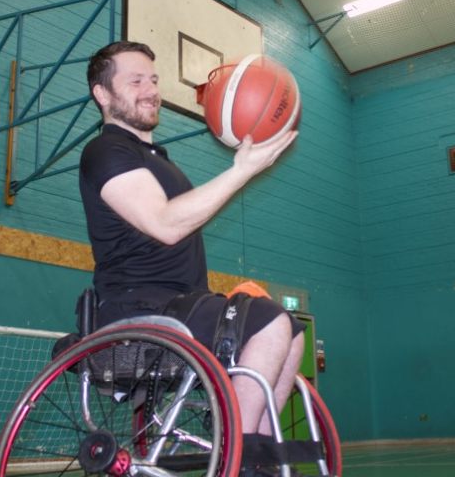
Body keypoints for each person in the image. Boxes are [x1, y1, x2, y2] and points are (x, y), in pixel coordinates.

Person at [78, 40, 304, 439]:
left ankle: (261, 450)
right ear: (103, 94)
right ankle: (240, 448)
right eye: (135, 81)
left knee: (292, 330)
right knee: (268, 321)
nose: (151, 90)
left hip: (181, 305)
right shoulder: (104, 150)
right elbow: (165, 224)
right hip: (138, 307)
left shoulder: (159, 161)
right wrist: (241, 172)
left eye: (153, 80)